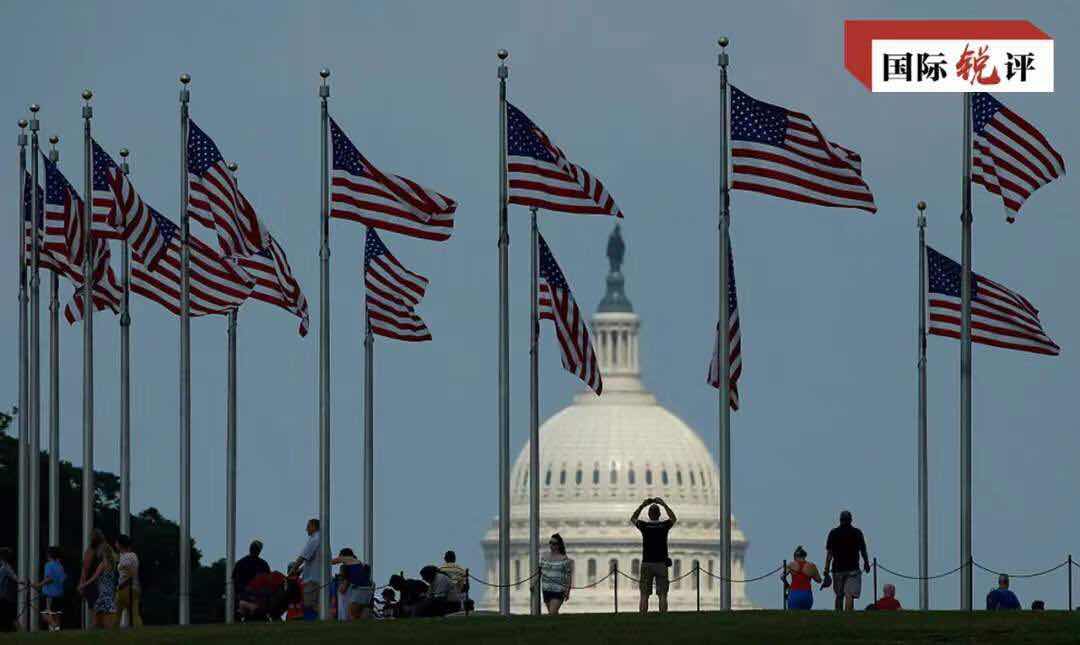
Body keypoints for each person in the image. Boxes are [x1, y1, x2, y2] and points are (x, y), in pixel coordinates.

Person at [631, 497, 677, 614]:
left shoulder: (645, 526)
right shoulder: (663, 526)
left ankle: (643, 616)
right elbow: (673, 518)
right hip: (661, 563)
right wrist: (664, 504)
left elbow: (633, 518)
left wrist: (643, 505)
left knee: (644, 594)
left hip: (647, 563)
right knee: (662, 594)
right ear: (659, 514)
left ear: (649, 515)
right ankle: (663, 616)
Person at [823, 510, 871, 611]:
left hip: (837, 569)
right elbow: (863, 550)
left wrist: (826, 570)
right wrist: (866, 563)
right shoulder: (857, 532)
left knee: (839, 595)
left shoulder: (833, 533)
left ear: (840, 520)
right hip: (853, 568)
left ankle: (838, 618)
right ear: (851, 520)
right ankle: (848, 617)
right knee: (849, 595)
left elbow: (829, 554)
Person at [80, 538, 119, 628]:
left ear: (103, 552)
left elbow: (94, 578)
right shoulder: (113, 563)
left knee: (98, 620)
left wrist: (82, 585)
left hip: (103, 593)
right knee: (104, 618)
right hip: (109, 592)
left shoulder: (103, 564)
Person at [288, 519, 323, 615]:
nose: (306, 529)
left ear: (314, 527)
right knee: (315, 604)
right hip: (318, 578)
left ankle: (322, 620)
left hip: (312, 579)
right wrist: (300, 570)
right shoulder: (321, 539)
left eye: (308, 526)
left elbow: (302, 557)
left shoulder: (315, 539)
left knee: (310, 604)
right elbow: (312, 560)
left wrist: (292, 570)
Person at [329, 548, 373, 620]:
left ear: (343, 555)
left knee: (352, 615)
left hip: (359, 591)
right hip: (367, 591)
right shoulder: (358, 563)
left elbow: (331, 562)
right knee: (358, 616)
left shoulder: (347, 560)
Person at [538, 533, 573, 615]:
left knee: (552, 612)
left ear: (558, 545)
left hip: (558, 590)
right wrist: (533, 583)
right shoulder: (544, 557)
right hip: (546, 589)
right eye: (550, 543)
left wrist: (567, 591)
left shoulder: (564, 558)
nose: (551, 545)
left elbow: (568, 575)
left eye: (554, 543)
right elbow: (538, 572)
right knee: (553, 613)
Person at [35, 546, 67, 631]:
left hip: (50, 595)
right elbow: (63, 578)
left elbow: (49, 579)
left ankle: (55, 628)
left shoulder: (48, 565)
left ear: (49, 555)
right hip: (60, 594)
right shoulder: (60, 566)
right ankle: (57, 635)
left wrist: (38, 585)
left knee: (45, 615)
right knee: (57, 616)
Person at [79, 529, 106, 625]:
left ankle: (96, 627)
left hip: (93, 582)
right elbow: (85, 569)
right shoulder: (98, 551)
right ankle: (97, 627)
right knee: (97, 608)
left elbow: (85, 569)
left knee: (96, 608)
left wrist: (82, 583)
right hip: (95, 583)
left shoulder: (92, 551)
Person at [782, 546, 821, 610]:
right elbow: (819, 580)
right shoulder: (811, 565)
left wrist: (787, 584)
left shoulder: (791, 564)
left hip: (794, 594)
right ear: (804, 556)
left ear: (795, 556)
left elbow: (782, 576)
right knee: (805, 616)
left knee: (793, 617)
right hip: (807, 594)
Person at [233, 540, 271, 606]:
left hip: (257, 598)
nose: (254, 550)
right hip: (245, 598)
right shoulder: (241, 563)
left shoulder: (263, 564)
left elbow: (268, 581)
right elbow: (235, 582)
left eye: (256, 548)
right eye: (254, 548)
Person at [115, 534, 142, 627]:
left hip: (125, 588)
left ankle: (112, 633)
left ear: (120, 544)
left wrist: (129, 576)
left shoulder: (125, 557)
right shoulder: (133, 555)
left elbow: (129, 569)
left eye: (117, 542)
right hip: (134, 587)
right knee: (135, 614)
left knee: (116, 614)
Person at [0, 548, 17, 633]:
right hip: (3, 595)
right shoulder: (6, 567)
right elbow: (15, 578)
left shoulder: (5, 567)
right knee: (6, 612)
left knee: (5, 612)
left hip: (3, 595)